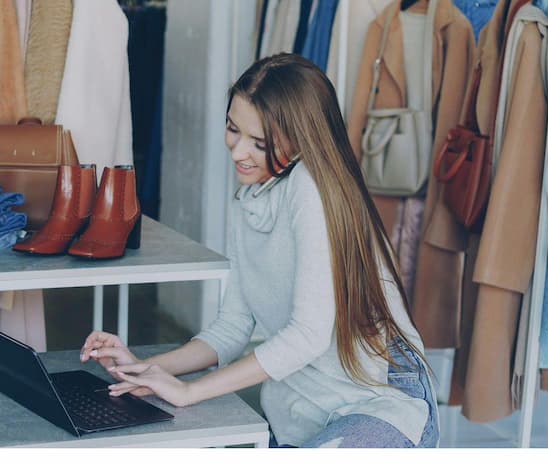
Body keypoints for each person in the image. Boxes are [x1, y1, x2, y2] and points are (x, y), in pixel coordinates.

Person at [79, 53, 439, 448]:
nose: (237, 151)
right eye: (233, 128)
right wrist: (148, 368)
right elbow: (233, 326)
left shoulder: (312, 188)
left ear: (303, 139)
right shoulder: (251, 195)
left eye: (259, 143)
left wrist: (189, 391)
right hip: (299, 397)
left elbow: (306, 336)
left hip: (378, 397)